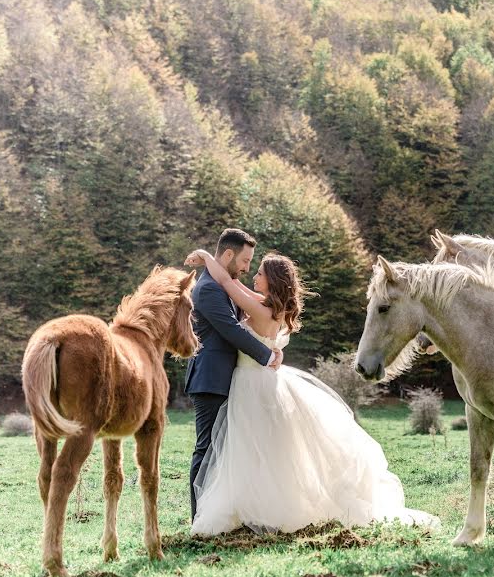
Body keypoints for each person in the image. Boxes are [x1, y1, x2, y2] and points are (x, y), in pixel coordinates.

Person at [184, 248, 437, 535]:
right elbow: (237, 287)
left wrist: (207, 257)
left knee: (250, 450)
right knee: (256, 451)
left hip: (251, 384)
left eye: (259, 273)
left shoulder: (261, 309)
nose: (253, 276)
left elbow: (230, 285)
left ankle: (255, 509)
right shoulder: (270, 306)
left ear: (272, 281)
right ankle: (251, 506)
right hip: (257, 381)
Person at [184, 229, 283, 522]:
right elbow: (231, 329)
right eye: (244, 260)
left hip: (228, 378)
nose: (246, 268)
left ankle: (223, 513)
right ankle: (199, 517)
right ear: (227, 255)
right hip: (211, 379)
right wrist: (266, 355)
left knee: (225, 450)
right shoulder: (209, 289)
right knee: (207, 449)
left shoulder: (222, 284)